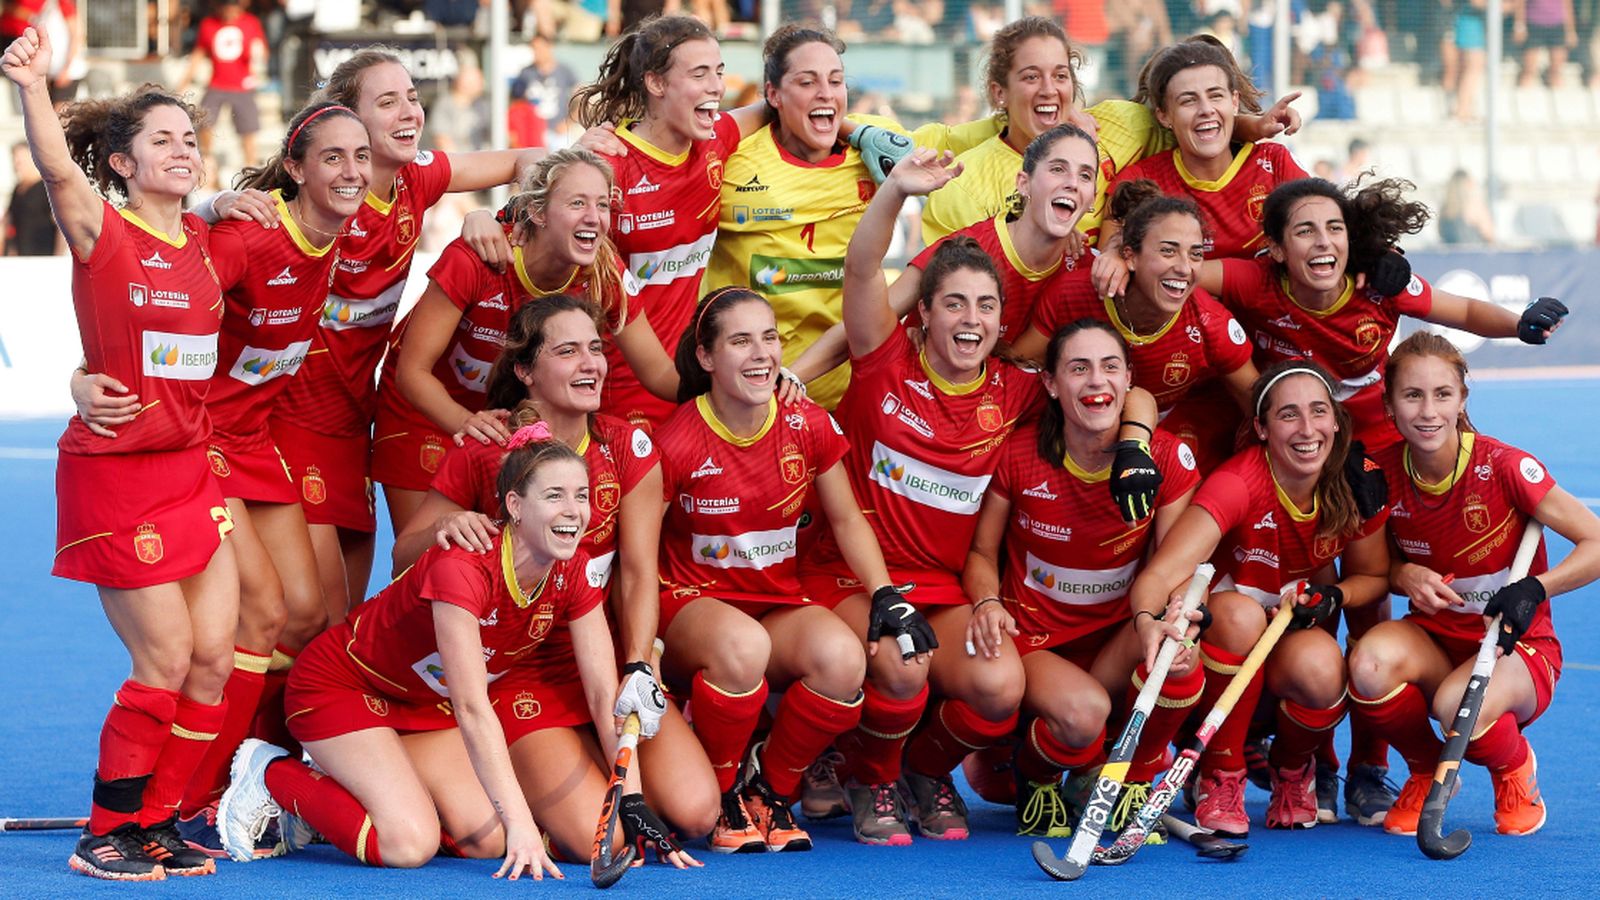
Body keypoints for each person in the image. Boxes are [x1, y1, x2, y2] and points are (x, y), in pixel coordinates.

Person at [71, 101, 377, 856]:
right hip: (203, 444)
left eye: (361, 157)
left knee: (300, 616)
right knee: (245, 621)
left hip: (253, 437)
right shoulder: (250, 235)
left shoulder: (353, 215)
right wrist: (83, 375)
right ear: (298, 166)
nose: (353, 170)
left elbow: (455, 169)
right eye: (333, 157)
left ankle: (224, 775)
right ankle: (198, 794)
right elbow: (158, 290)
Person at [216, 428, 685, 873]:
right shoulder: (463, 569)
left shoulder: (574, 569)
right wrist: (522, 823)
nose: (574, 511)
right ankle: (270, 770)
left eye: (581, 496)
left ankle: (357, 781)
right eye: (555, 496)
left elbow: (605, 695)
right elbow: (472, 707)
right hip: (343, 687)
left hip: (421, 707)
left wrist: (634, 801)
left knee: (488, 841)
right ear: (515, 506)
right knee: (409, 843)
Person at [7, 26, 237, 880]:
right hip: (115, 475)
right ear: (124, 164)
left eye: (190, 140)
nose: (182, 151)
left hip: (190, 471)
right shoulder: (103, 231)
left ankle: (160, 821)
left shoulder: (213, 241)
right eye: (162, 141)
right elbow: (59, 170)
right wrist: (31, 87)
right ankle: (105, 831)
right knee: (164, 660)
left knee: (215, 656)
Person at [795, 149, 1055, 846]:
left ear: (1002, 321)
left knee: (1002, 685)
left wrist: (1133, 440)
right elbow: (859, 272)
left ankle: (918, 767)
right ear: (922, 316)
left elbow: (1112, 382)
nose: (971, 319)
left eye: (986, 305)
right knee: (900, 664)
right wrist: (896, 195)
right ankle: (870, 774)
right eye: (954, 304)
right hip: (852, 578)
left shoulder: (1016, 392)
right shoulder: (883, 357)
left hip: (942, 590)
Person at [392, 294, 721, 840]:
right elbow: (405, 555)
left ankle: (559, 767)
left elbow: (639, 573)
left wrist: (639, 664)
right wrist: (444, 530)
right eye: (568, 351)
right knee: (606, 837)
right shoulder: (489, 447)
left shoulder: (627, 445)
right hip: (517, 669)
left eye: (595, 348)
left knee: (695, 811)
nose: (590, 363)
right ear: (525, 371)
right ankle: (457, 774)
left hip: (597, 662)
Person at [259, 48, 548, 625]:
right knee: (305, 615)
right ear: (346, 120)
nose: (407, 111)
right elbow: (202, 265)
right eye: (386, 102)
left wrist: (490, 214)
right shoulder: (320, 205)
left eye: (411, 97)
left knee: (338, 617)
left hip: (351, 424)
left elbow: (530, 158)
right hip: (287, 424)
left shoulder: (416, 179)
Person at [655, 286, 932, 853]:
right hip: (690, 606)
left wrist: (886, 594)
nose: (761, 354)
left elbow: (849, 518)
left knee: (843, 659)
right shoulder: (676, 438)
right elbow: (636, 562)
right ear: (706, 358)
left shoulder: (806, 420)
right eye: (740, 341)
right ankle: (724, 786)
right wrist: (638, 654)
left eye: (769, 338)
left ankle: (769, 791)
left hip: (773, 602)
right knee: (743, 647)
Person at [1349, 332, 1600, 837]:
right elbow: (1382, 571)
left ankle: (1514, 769)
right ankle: (1426, 770)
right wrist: (1405, 575)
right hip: (1437, 638)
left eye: (1442, 394)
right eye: (1412, 395)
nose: (1428, 411)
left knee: (1453, 706)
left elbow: (1595, 542)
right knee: (1367, 666)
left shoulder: (1505, 466)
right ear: (1390, 405)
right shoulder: (1383, 471)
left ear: (1463, 399)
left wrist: (1536, 589)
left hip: (1516, 648)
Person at [1127, 361, 1392, 838]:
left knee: (1322, 665)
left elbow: (1374, 576)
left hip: (1279, 660)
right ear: (1262, 428)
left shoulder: (1353, 482)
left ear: (1336, 420)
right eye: (1289, 415)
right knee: (1237, 614)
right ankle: (1222, 776)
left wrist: (1335, 594)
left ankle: (1293, 771)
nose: (1307, 429)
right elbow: (1162, 573)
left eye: (1318, 412)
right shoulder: (1238, 482)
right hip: (1218, 660)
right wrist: (1150, 621)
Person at [964, 318, 1204, 838]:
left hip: (1119, 634)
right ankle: (1037, 771)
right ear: (1051, 384)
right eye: (1079, 369)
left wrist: (1172, 618)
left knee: (1180, 656)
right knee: (1083, 714)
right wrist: (985, 603)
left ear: (1128, 381)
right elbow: (981, 553)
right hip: (1039, 640)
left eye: (1109, 367)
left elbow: (1174, 566)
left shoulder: (1163, 457)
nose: (1097, 382)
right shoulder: (1021, 453)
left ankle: (1130, 777)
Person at [703, 24, 999, 409]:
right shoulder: (733, 160)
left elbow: (964, 138)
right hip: (749, 394)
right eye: (807, 82)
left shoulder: (878, 145)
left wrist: (1058, 117)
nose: (825, 92)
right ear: (773, 94)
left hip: (848, 397)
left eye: (836, 80)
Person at [372, 148, 653, 542]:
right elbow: (411, 372)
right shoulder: (480, 257)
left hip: (503, 420)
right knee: (429, 557)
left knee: (504, 553)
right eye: (578, 203)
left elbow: (658, 372)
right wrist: (467, 425)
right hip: (426, 413)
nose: (593, 216)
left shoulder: (602, 269)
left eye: (603, 204)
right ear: (538, 213)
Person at [1199, 175, 1568, 450]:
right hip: (1298, 431)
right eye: (1305, 231)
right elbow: (1183, 273)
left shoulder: (1381, 283)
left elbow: (1466, 311)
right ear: (1276, 249)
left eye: (1334, 228)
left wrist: (1519, 324)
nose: (1324, 241)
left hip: (1377, 427)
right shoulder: (1255, 280)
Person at [920, 16, 1301, 247]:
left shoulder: (1122, 125)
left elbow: (1197, 124)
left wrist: (1254, 125)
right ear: (999, 93)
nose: (1049, 89)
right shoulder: (964, 185)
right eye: (1031, 77)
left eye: (1060, 75)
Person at [790, 123, 1098, 391]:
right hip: (903, 410)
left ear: (1093, 198)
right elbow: (863, 323)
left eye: (1085, 175)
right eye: (1058, 169)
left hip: (983, 433)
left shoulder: (1088, 271)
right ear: (1023, 182)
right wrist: (788, 379)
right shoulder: (966, 249)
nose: (1072, 182)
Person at [1016, 180, 1258, 472]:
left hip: (1166, 442)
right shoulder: (1074, 292)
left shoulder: (1210, 323)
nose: (1184, 267)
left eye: (1195, 254)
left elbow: (1261, 409)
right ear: (1130, 256)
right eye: (1168, 251)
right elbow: (1018, 371)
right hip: (1072, 434)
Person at [178, 0, 267, 169]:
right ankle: (207, 162)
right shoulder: (209, 24)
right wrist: (184, 81)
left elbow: (260, 51)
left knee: (248, 130)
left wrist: (259, 61)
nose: (230, 11)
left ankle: (251, 167)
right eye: (226, 7)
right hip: (217, 83)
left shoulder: (251, 22)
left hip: (243, 85)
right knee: (204, 121)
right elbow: (199, 53)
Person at [512, 33, 579, 149]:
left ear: (550, 47)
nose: (537, 53)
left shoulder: (564, 71)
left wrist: (569, 122)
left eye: (540, 48)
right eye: (534, 49)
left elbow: (580, 98)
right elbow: (517, 103)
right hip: (534, 133)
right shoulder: (526, 73)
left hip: (559, 132)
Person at [3, 139, 58, 254]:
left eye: (21, 160)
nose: (17, 164)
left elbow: (60, 223)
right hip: (22, 256)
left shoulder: (47, 188)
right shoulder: (18, 189)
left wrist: (58, 256)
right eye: (15, 160)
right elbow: (9, 222)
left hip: (44, 255)